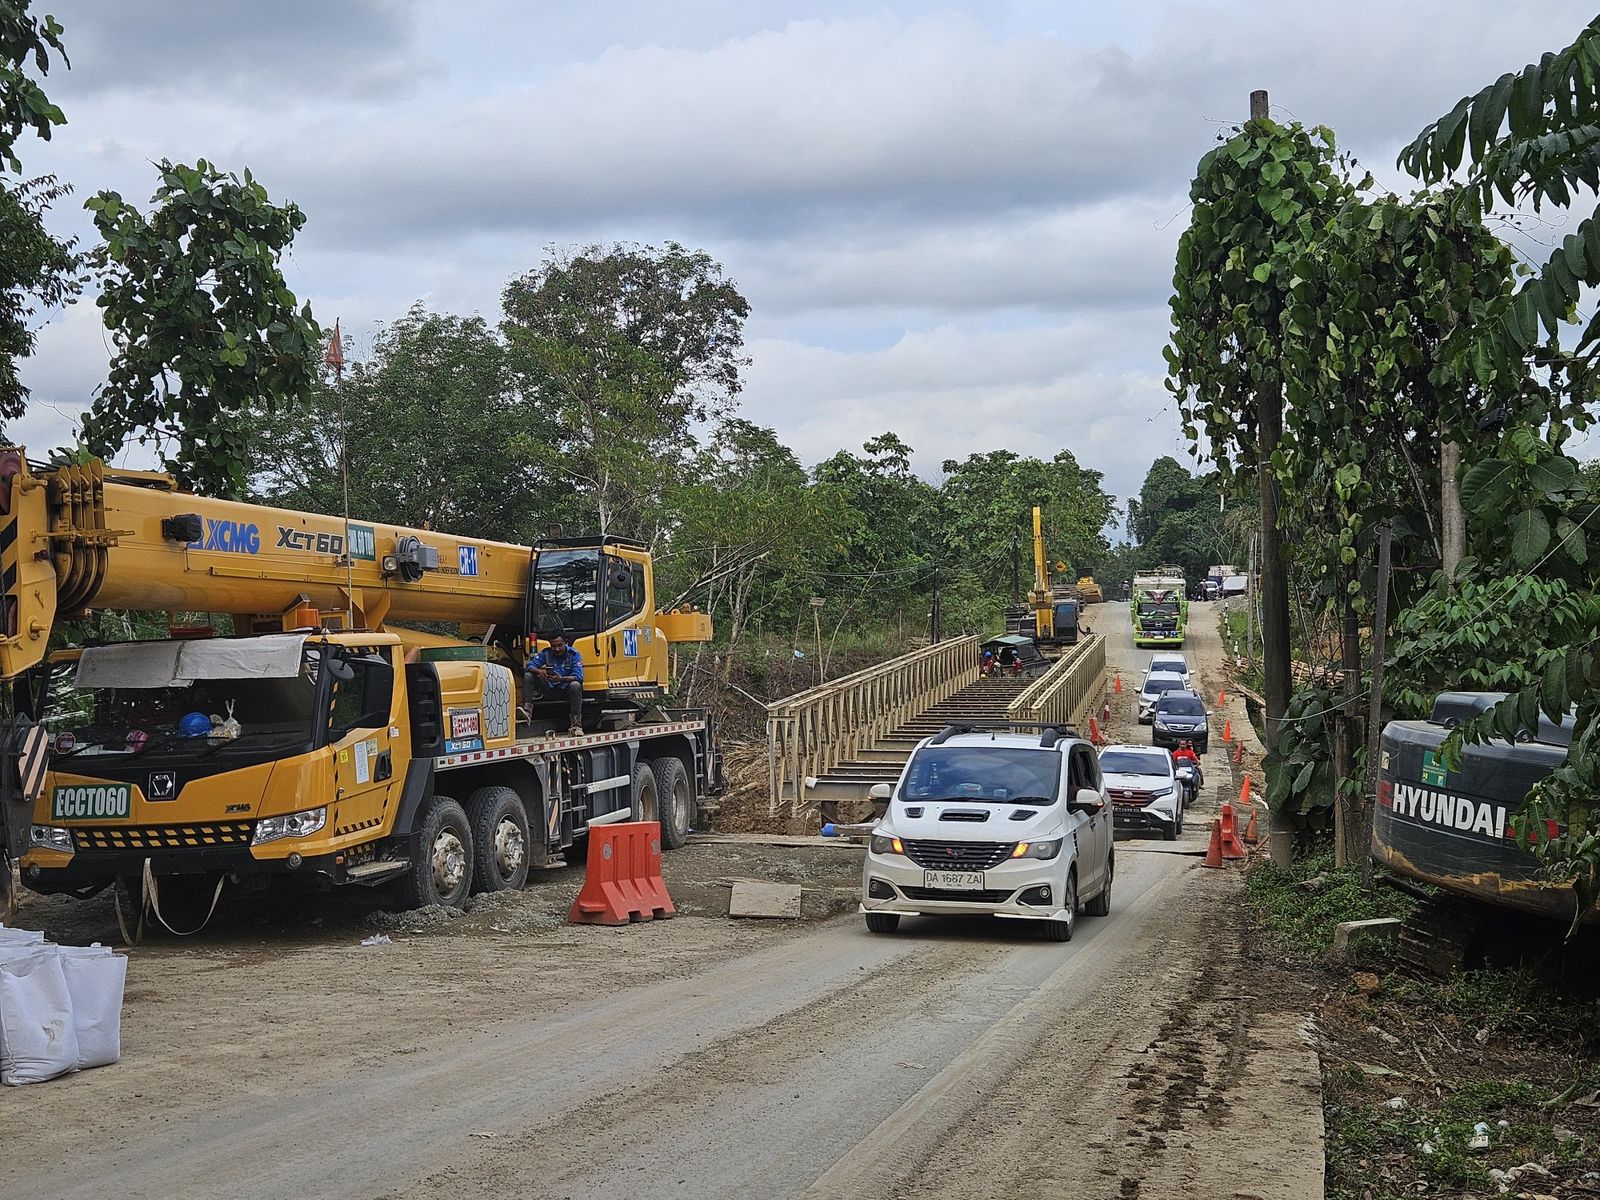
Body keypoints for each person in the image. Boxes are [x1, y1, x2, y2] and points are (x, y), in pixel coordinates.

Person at [526, 632, 585, 735]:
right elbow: (529, 665)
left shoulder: (574, 654)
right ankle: (527, 711)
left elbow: (579, 677)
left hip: (566, 690)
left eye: (559, 645)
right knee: (528, 675)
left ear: (565, 643)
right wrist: (539, 671)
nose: (557, 649)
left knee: (575, 685)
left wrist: (561, 679)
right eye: (553, 646)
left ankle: (576, 724)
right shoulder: (546, 653)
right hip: (549, 689)